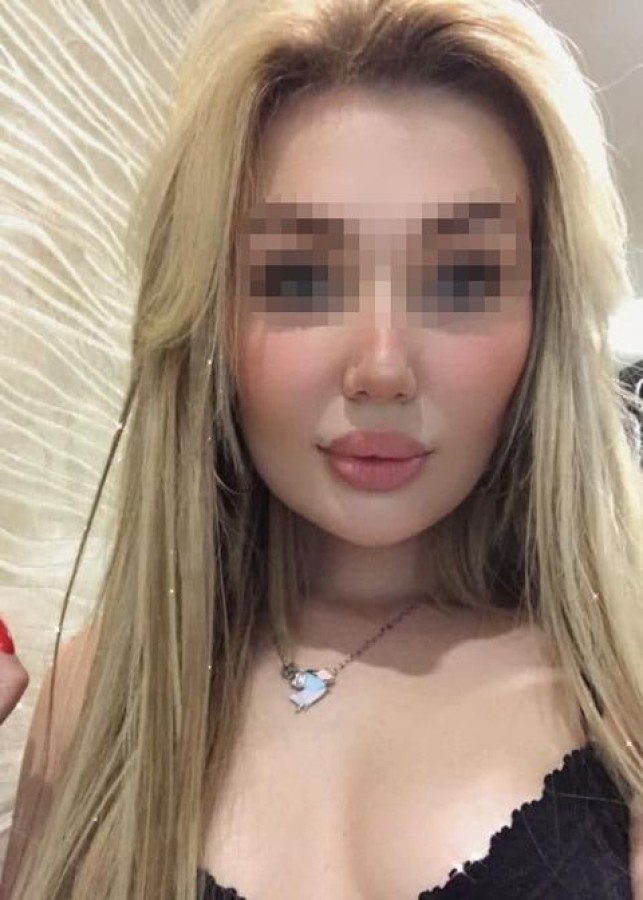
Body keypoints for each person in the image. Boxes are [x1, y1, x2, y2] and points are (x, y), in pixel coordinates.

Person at [2, 0, 643, 897]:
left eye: (462, 279)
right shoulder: (102, 696)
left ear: (541, 321)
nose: (381, 367)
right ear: (208, 309)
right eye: (301, 277)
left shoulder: (622, 703)